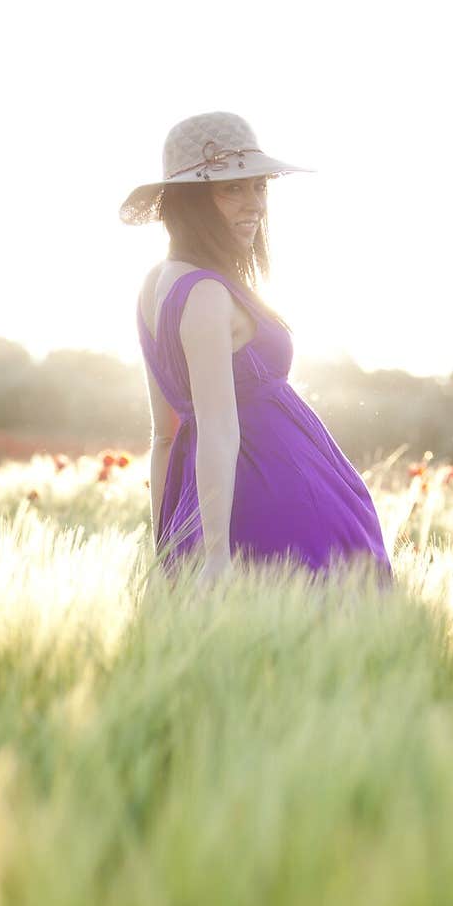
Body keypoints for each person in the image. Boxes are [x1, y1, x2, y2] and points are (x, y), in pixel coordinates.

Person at [120, 110, 394, 592]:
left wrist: (166, 546)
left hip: (241, 502)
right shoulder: (205, 294)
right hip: (270, 512)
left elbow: (166, 438)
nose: (255, 205)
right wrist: (215, 556)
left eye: (258, 187)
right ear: (191, 201)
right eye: (232, 189)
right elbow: (217, 429)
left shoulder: (153, 286)